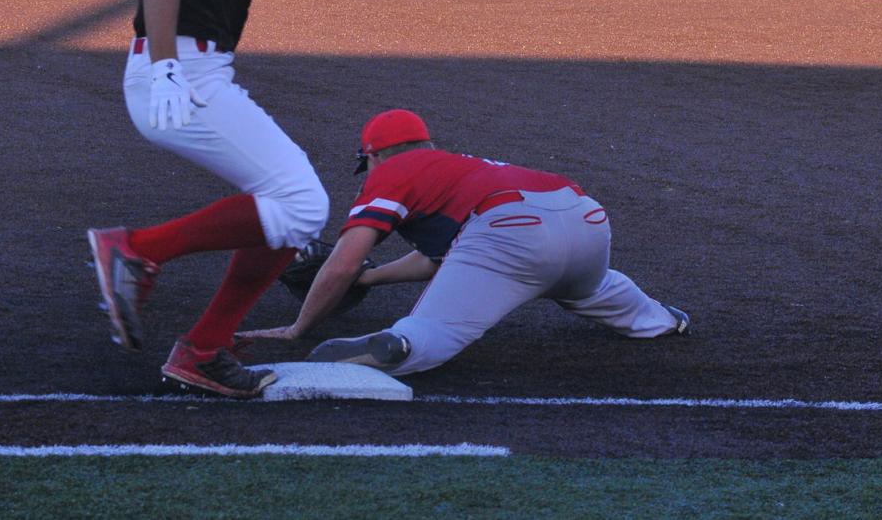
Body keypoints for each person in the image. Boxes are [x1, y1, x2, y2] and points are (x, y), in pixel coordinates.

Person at [87, 0, 349, 398]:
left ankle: (204, 348)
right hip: (182, 70)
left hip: (189, 65)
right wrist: (168, 65)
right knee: (304, 204)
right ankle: (137, 249)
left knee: (289, 205)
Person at [237, 109, 690, 375]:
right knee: (589, 287)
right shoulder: (463, 166)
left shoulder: (392, 173)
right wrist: (370, 279)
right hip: (585, 216)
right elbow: (446, 258)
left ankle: (400, 345)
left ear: (373, 156)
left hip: (508, 231)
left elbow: (339, 265)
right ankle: (659, 319)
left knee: (441, 327)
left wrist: (300, 326)